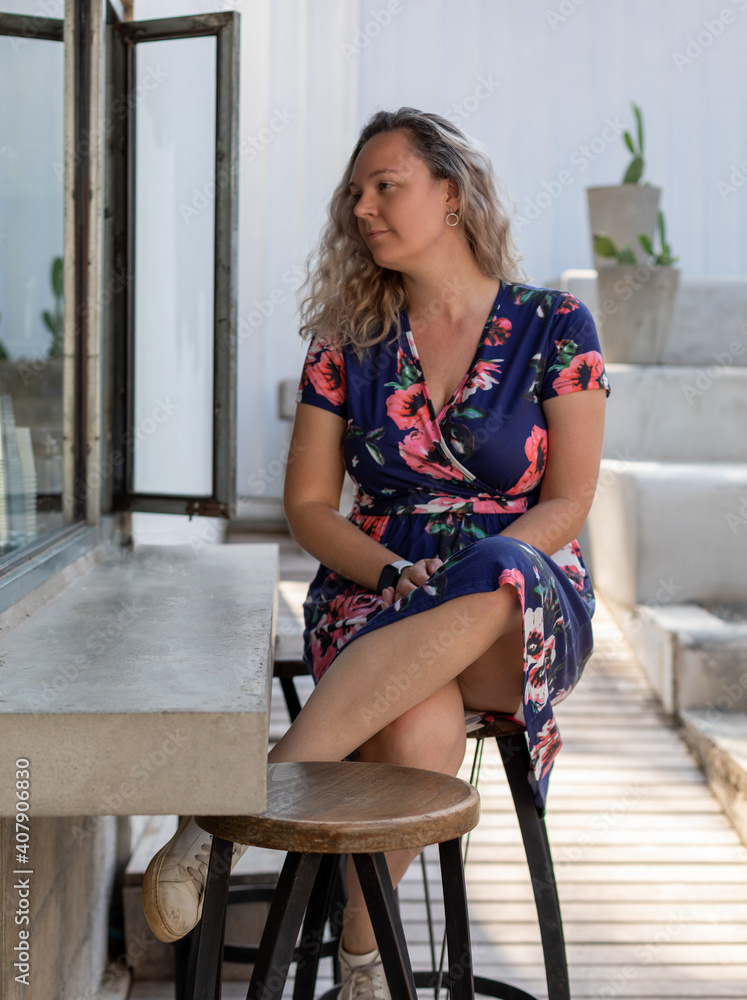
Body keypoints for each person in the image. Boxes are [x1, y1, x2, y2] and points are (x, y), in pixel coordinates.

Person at [142, 106, 610, 1000]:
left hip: (523, 599)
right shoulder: (345, 344)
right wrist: (394, 573)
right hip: (376, 589)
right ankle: (364, 961)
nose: (361, 207)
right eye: (354, 192)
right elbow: (310, 508)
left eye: (383, 186)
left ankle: (225, 817)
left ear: (452, 195)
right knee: (418, 719)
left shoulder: (556, 324)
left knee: (497, 573)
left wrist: (479, 562)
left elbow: (570, 500)